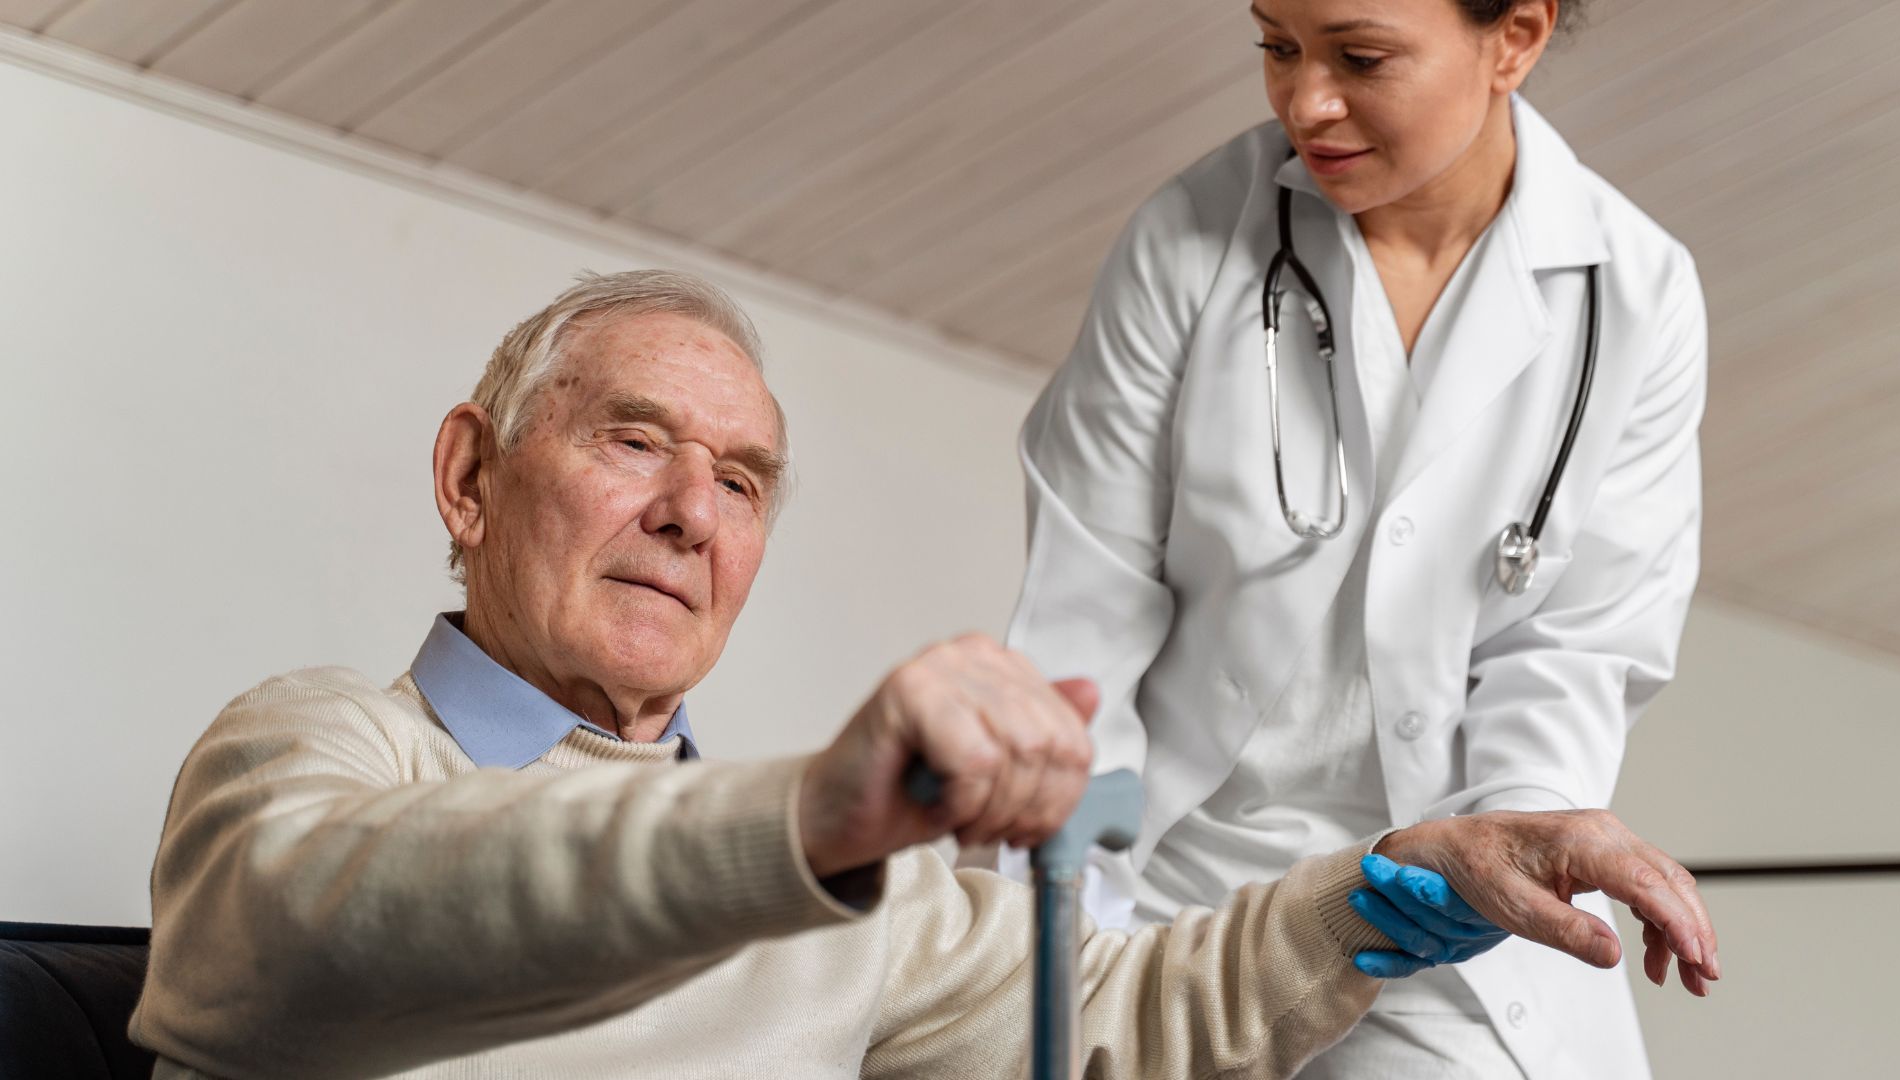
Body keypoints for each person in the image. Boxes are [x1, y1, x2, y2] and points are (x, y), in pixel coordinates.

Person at [130, 272, 1716, 1079]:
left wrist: (1396, 885)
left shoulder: (846, 888)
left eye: (742, 482)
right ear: (470, 480)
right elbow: (357, 914)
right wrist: (811, 821)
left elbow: (1109, 1020)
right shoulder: (313, 753)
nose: (691, 512)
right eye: (635, 443)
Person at [1001, 0, 1709, 1076]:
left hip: (1452, 924)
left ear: (1514, 36)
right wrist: (1052, 950)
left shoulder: (1636, 296)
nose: (1306, 101)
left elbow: (1576, 650)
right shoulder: (1191, 241)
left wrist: (1515, 838)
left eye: (1360, 57)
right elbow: (1081, 623)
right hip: (1181, 895)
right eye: (1277, 47)